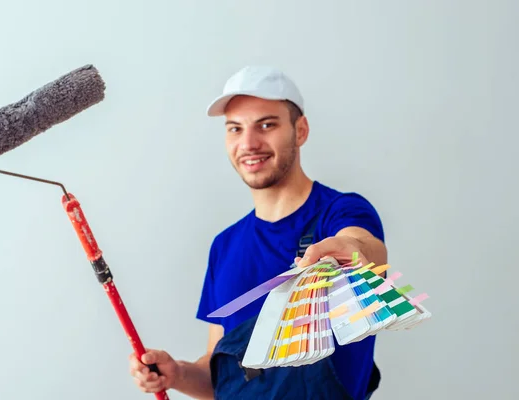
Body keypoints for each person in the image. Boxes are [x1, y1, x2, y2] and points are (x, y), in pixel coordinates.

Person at [129, 66, 388, 399]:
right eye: (235, 129)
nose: (248, 143)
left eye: (266, 125)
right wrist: (177, 373)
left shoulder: (339, 212)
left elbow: (368, 250)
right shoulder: (224, 246)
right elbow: (217, 375)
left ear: (301, 130)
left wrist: (348, 250)